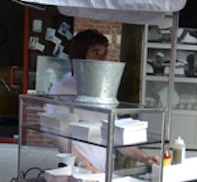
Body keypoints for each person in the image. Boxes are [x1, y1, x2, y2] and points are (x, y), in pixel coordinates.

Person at [48, 28, 159, 167]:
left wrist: (144, 158)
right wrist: (85, 165)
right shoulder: (61, 89)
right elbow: (59, 137)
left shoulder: (105, 92)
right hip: (74, 169)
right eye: (96, 53)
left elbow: (116, 136)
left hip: (102, 169)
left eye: (104, 53)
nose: (102, 58)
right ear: (80, 57)